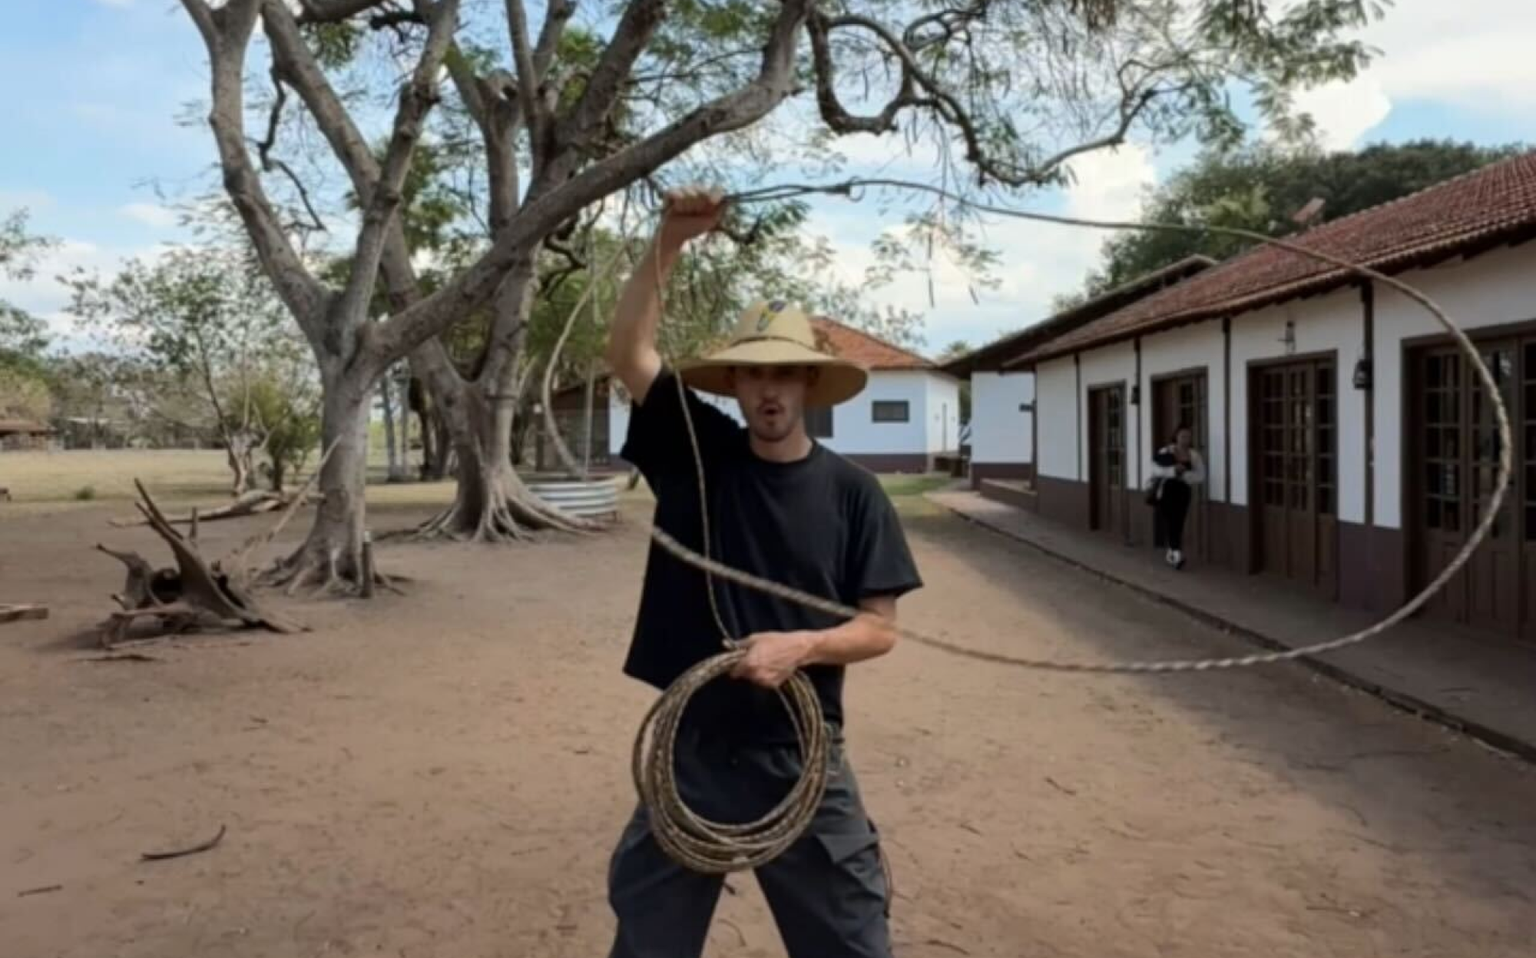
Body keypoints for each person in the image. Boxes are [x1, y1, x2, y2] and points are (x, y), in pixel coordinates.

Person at [602, 186, 923, 958]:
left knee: (851, 943)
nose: (769, 390)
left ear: (808, 384)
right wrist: (668, 240)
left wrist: (800, 648)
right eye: (753, 376)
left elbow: (880, 630)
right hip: (695, 753)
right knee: (649, 944)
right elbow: (629, 354)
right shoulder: (697, 456)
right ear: (735, 386)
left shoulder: (855, 494)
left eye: (784, 374)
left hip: (802, 757)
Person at [1147, 424, 1205, 570]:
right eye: (1182, 436)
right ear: (1176, 436)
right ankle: (1176, 553)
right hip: (1166, 490)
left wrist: (1184, 475)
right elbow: (1154, 469)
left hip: (1183, 491)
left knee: (1179, 521)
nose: (1185, 439)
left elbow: (1201, 476)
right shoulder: (1166, 451)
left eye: (1188, 436)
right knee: (1170, 520)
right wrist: (1173, 471)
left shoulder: (1194, 455)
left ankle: (1172, 552)